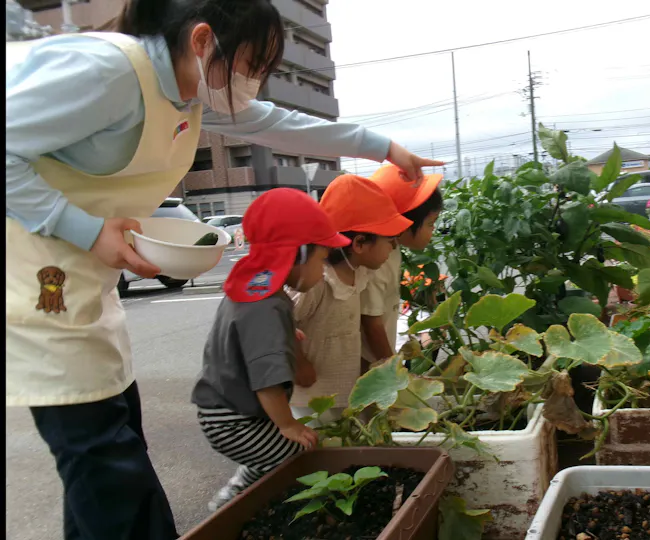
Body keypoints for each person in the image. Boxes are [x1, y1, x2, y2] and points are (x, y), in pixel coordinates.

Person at [5, 0, 442, 537]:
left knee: (108, 450)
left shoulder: (184, 92)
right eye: (252, 64)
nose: (254, 83)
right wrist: (86, 230)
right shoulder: (110, 71)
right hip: (35, 280)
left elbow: (281, 125)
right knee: (103, 457)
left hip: (82, 280)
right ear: (204, 40)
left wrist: (385, 148)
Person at [191, 188, 347, 512]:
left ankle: (235, 495)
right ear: (299, 254)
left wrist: (283, 337)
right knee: (296, 454)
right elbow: (265, 378)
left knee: (275, 453)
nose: (322, 273)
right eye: (321, 260)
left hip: (227, 410)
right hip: (235, 419)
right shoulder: (267, 306)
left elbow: (247, 340)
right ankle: (237, 507)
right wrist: (288, 423)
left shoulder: (254, 288)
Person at [289, 175, 412, 422]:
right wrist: (298, 363)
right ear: (359, 243)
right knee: (315, 454)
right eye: (389, 242)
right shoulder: (318, 282)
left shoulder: (360, 273)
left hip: (342, 394)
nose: (393, 249)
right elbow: (275, 323)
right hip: (308, 401)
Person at [361, 165, 444, 369]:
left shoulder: (392, 248)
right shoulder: (376, 260)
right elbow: (371, 323)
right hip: (368, 365)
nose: (432, 231)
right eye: (430, 223)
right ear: (405, 221)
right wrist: (392, 372)